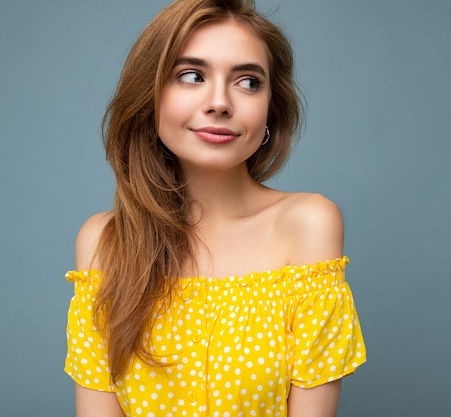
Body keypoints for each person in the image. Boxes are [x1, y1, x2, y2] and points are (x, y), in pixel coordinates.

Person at [63, 0, 366, 416]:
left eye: (248, 82)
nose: (220, 102)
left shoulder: (308, 225)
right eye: (191, 76)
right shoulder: (104, 241)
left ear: (270, 112)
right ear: (149, 97)